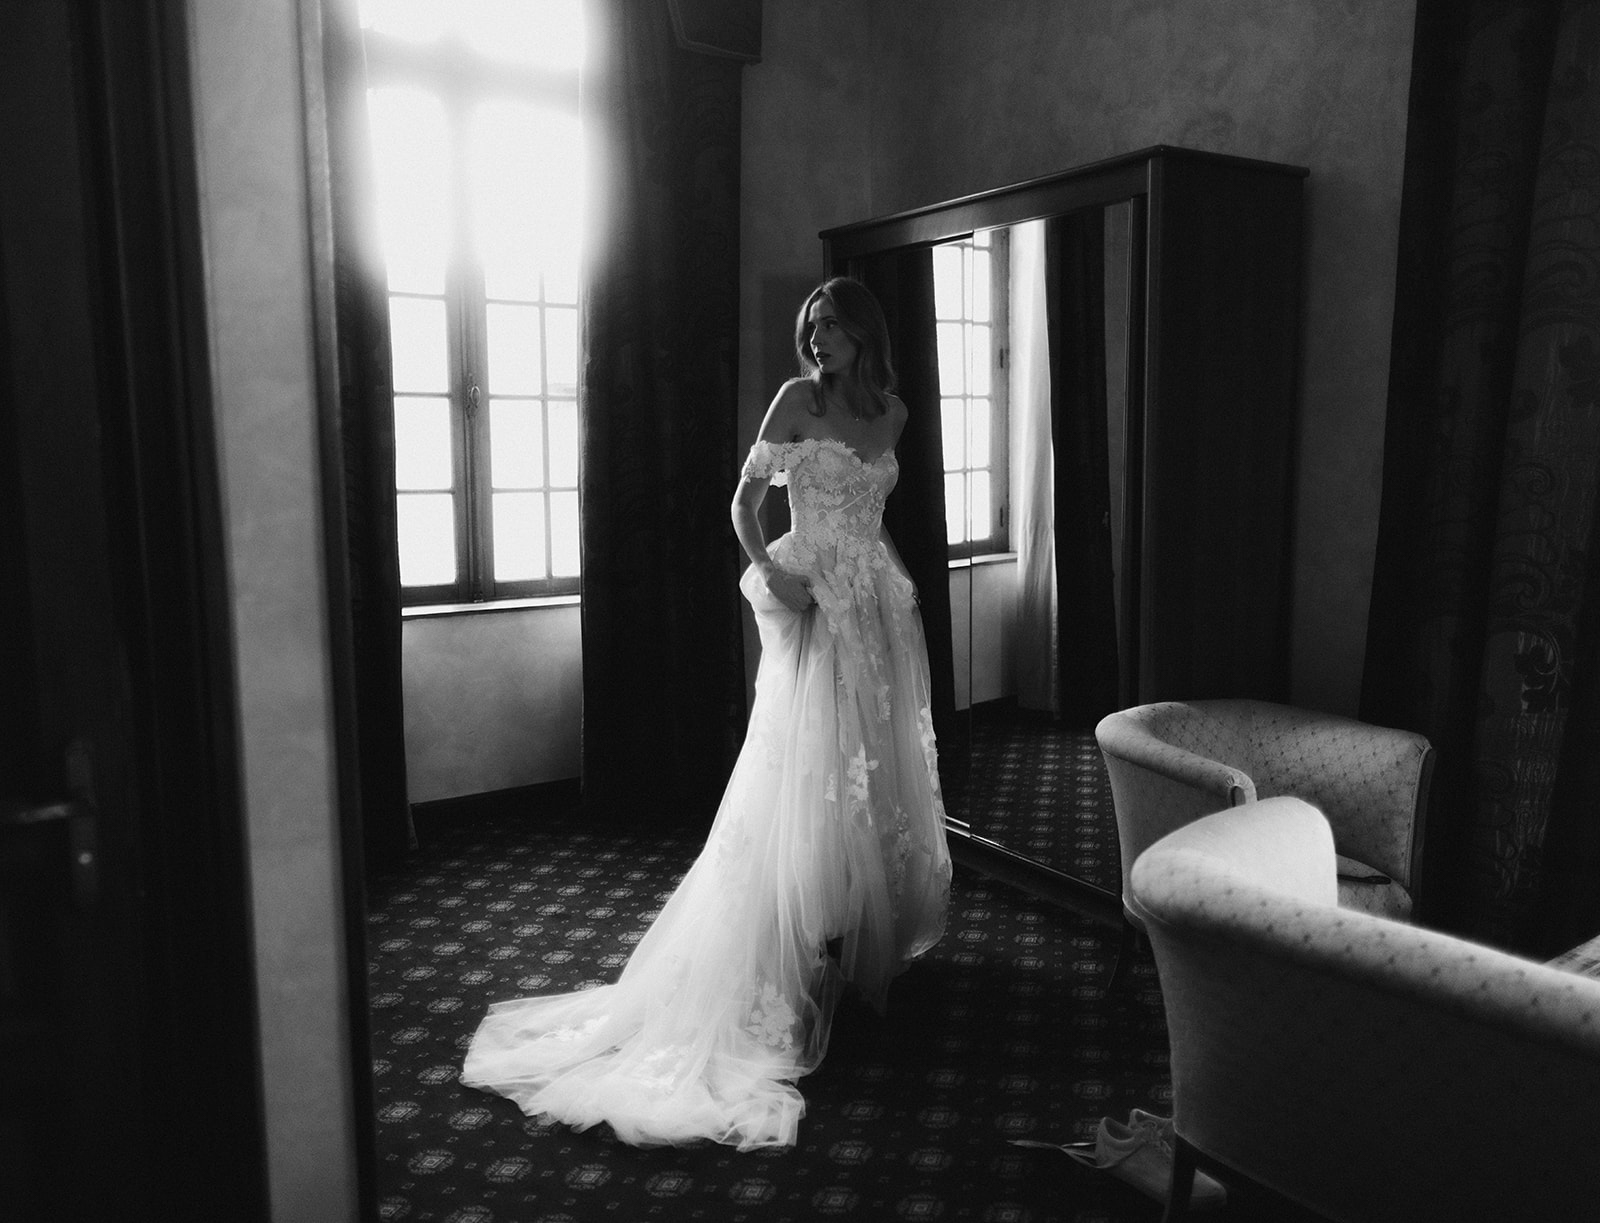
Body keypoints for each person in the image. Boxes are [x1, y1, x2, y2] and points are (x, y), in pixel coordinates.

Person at [460, 276, 952, 1151]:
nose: (818, 338)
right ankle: (786, 942)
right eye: (811, 326)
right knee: (804, 765)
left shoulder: (897, 413)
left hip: (872, 601)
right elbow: (741, 506)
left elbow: (872, 519)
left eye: (833, 325)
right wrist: (778, 572)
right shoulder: (795, 402)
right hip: (808, 598)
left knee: (873, 767)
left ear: (864, 333)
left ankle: (847, 933)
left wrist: (889, 593)